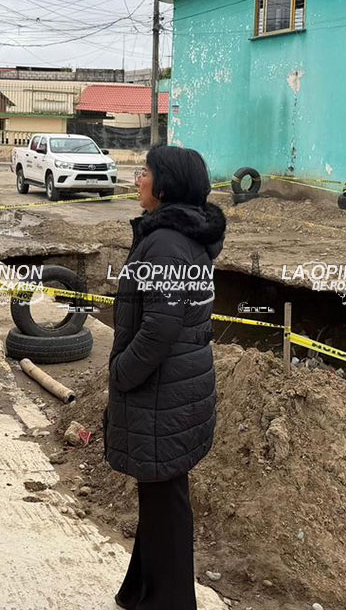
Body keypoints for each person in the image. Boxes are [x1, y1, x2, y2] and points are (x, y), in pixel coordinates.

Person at [105, 145, 227, 610]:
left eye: (145, 172)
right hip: (179, 384)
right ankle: (141, 590)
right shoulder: (183, 237)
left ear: (165, 185)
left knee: (167, 502)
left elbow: (161, 325)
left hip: (161, 389)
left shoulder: (166, 244)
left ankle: (172, 602)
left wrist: (121, 372)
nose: (138, 179)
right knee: (160, 497)